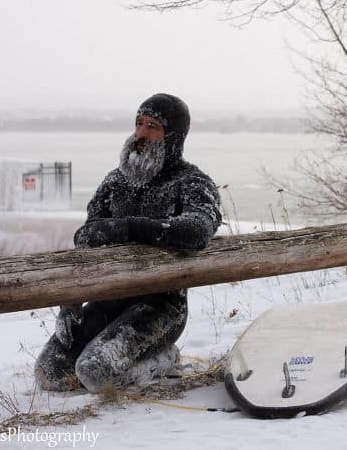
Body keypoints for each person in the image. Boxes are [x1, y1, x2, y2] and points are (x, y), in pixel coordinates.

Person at [34, 93, 222, 393]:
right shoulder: (115, 182)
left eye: (153, 126)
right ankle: (116, 357)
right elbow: (86, 239)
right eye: (139, 124)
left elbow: (198, 230)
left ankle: (165, 359)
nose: (141, 134)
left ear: (173, 136)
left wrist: (127, 228)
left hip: (161, 306)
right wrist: (69, 303)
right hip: (109, 296)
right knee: (50, 371)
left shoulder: (191, 182)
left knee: (94, 371)